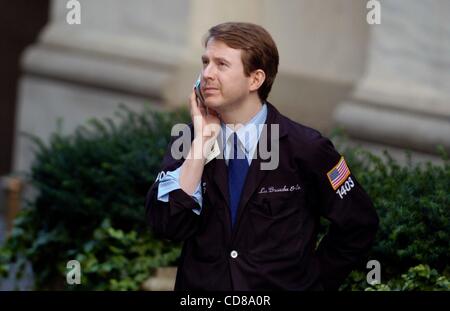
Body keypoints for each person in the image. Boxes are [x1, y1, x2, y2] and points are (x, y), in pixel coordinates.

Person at [145, 22, 379, 291]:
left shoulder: (305, 147)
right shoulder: (188, 140)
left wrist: (314, 282)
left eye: (221, 64)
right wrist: (202, 143)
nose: (207, 73)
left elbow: (359, 222)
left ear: (255, 79)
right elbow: (167, 226)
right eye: (205, 62)